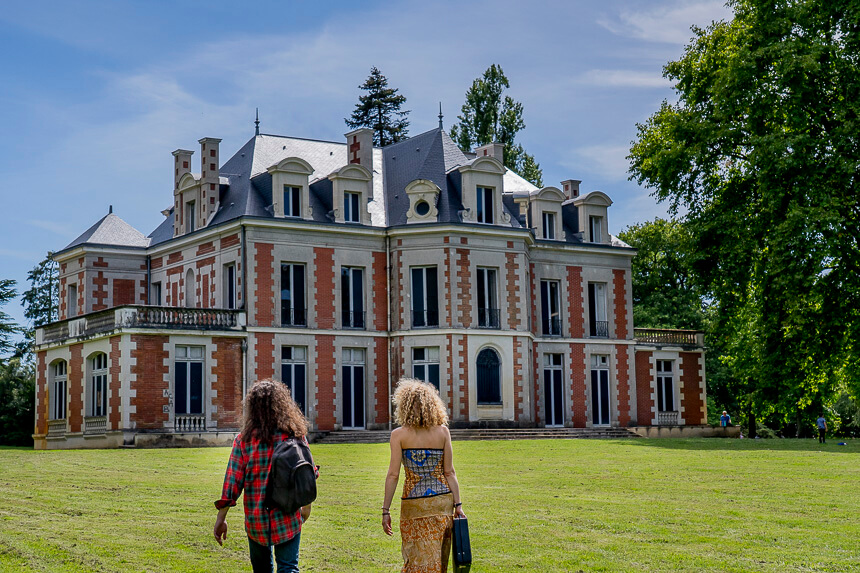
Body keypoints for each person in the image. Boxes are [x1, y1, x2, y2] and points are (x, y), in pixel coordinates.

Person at [213, 380, 315, 573]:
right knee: (288, 568)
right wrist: (306, 508)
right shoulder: (294, 435)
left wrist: (221, 518)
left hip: (256, 518)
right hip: (288, 515)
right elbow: (308, 474)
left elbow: (232, 483)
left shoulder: (243, 441)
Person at [382, 378, 466, 573]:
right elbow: (449, 472)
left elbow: (393, 475)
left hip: (414, 504)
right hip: (442, 502)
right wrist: (459, 505)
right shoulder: (443, 432)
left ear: (404, 406)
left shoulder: (399, 435)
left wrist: (385, 511)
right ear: (432, 405)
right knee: (438, 559)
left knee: (415, 560)